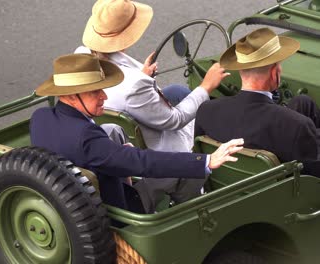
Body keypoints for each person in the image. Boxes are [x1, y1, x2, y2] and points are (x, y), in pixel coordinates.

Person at [30, 53, 244, 213]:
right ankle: (193, 215)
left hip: (72, 202)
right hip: (120, 211)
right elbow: (143, 162)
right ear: (72, 96)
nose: (104, 96)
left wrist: (114, 156)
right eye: (95, 91)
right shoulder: (86, 137)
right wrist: (206, 160)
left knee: (112, 130)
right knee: (181, 166)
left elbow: (93, 150)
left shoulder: (40, 118)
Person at [75, 0, 230, 207]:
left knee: (177, 91)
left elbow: (124, 89)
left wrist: (143, 77)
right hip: (158, 142)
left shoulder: (82, 55)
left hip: (129, 120)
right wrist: (206, 86)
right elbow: (175, 120)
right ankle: (198, 195)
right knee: (210, 113)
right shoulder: (134, 86)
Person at [195, 27, 319, 176]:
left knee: (302, 102)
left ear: (241, 70)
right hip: (284, 195)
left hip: (234, 186)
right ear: (275, 73)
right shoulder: (297, 125)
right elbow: (313, 180)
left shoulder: (206, 111)